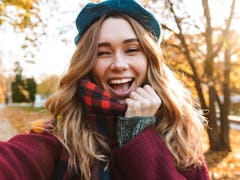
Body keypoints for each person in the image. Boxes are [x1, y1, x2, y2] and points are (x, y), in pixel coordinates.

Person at [0, 0, 210, 179]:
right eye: (103, 53)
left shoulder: (178, 129)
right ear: (87, 63)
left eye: (132, 50)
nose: (119, 64)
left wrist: (138, 133)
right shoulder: (61, 136)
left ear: (149, 60)